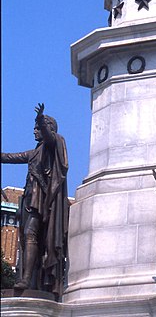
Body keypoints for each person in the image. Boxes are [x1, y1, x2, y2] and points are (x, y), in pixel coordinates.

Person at [1, 103, 69, 301]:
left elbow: (49, 137)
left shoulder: (53, 145)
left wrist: (41, 118)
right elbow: (10, 157)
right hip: (30, 200)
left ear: (48, 128)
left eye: (38, 127)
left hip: (43, 202)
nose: (34, 131)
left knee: (31, 236)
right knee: (27, 238)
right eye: (35, 127)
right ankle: (28, 279)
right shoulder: (34, 153)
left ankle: (26, 279)